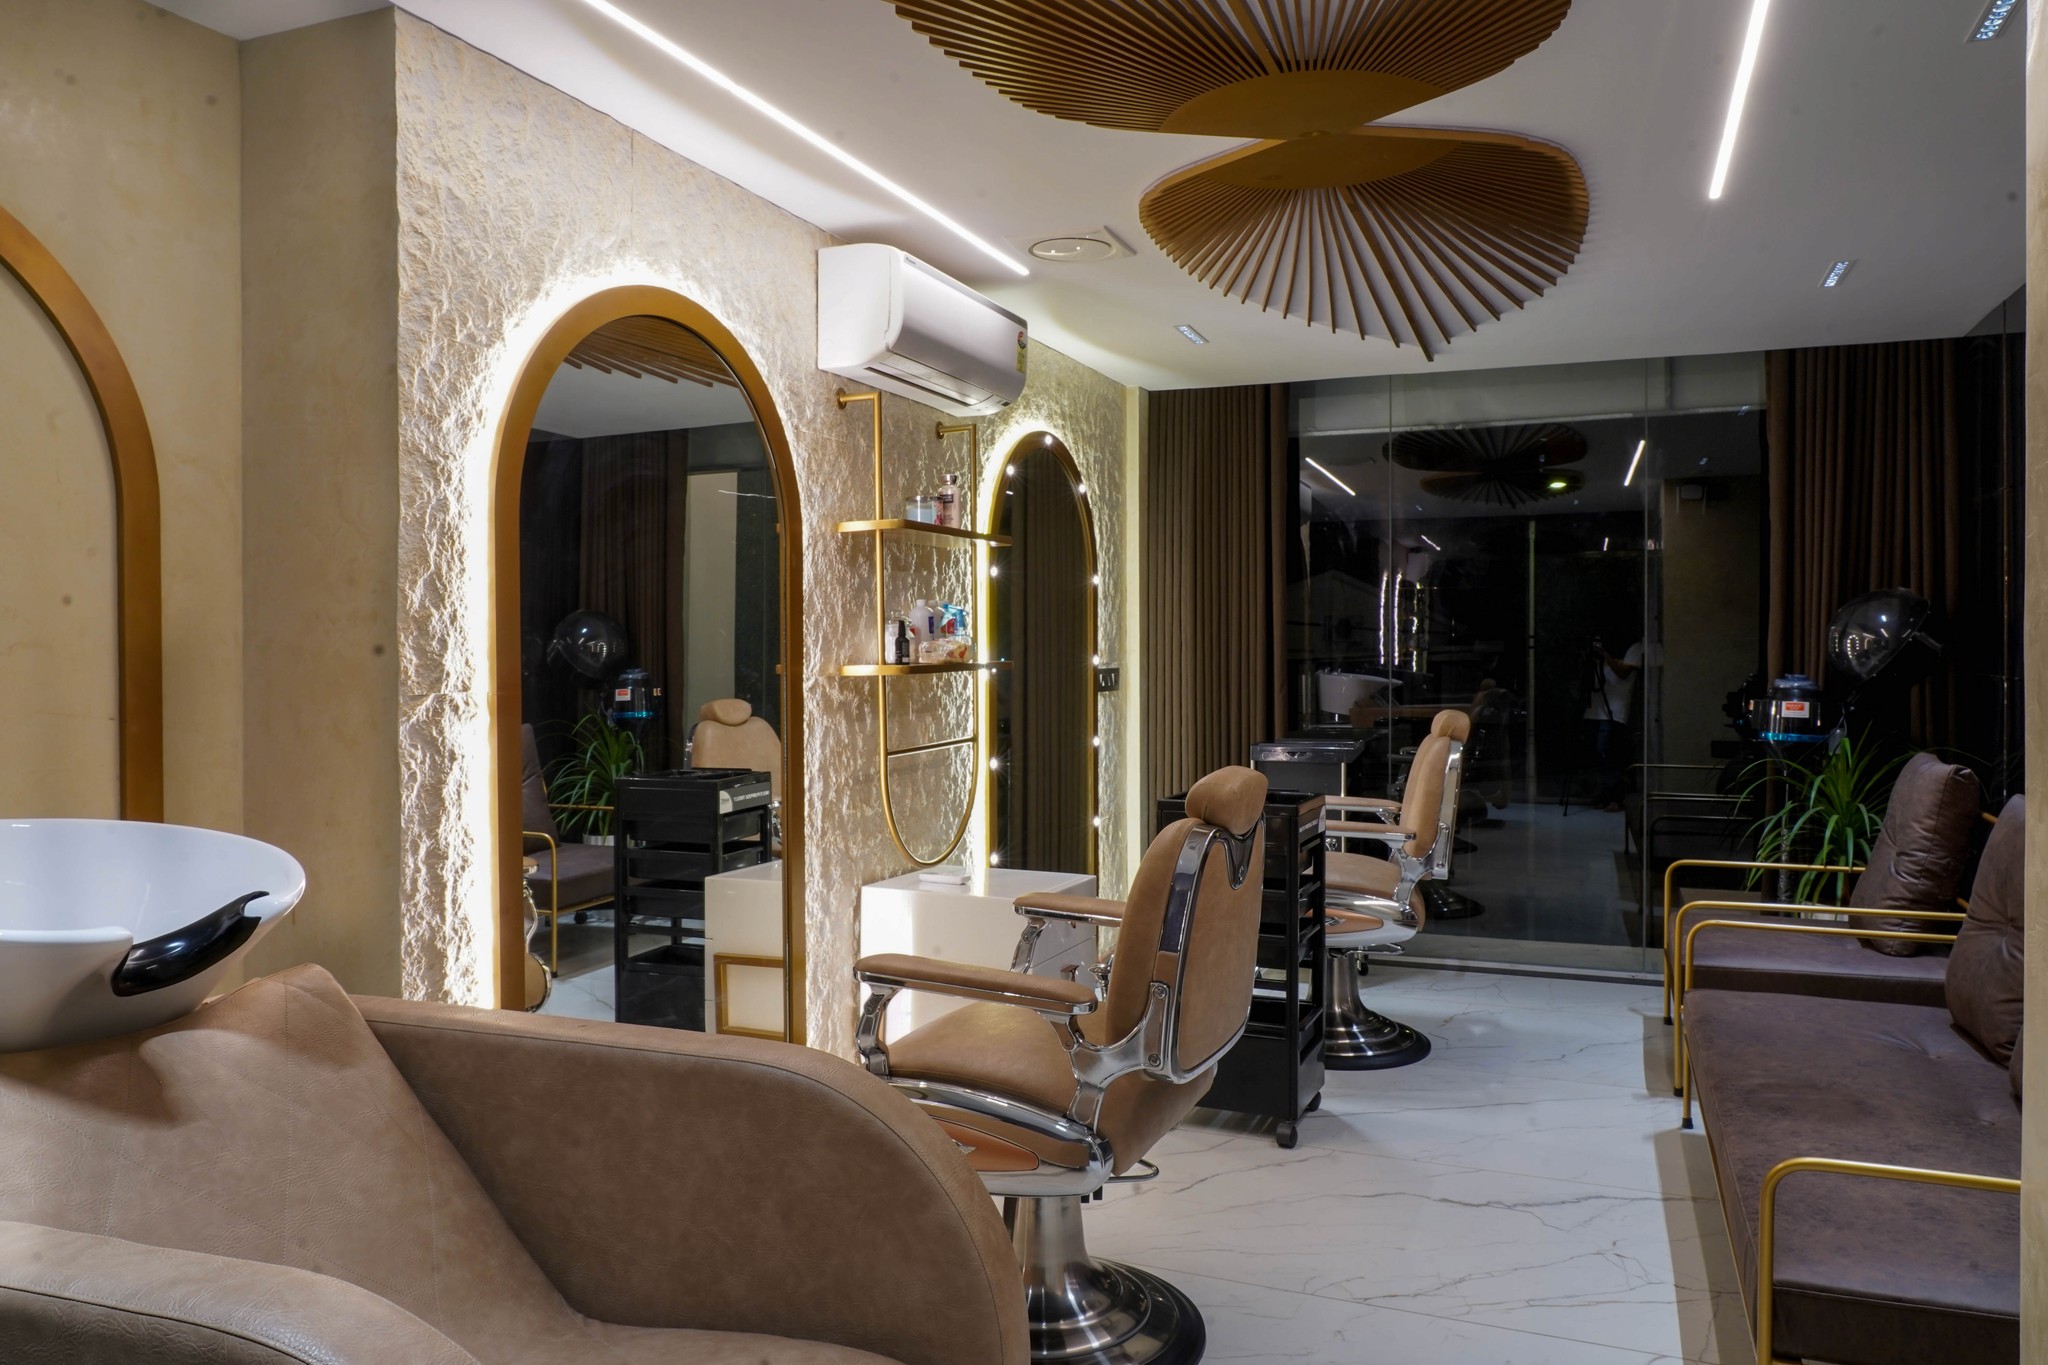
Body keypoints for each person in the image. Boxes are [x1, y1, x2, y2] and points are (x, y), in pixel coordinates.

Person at [1582, 635, 1643, 812]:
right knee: (1600, 756)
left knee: (1609, 754)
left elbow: (1623, 673)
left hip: (1615, 711)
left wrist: (1604, 654)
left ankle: (1616, 797)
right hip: (1595, 709)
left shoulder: (1634, 647)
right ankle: (1605, 794)